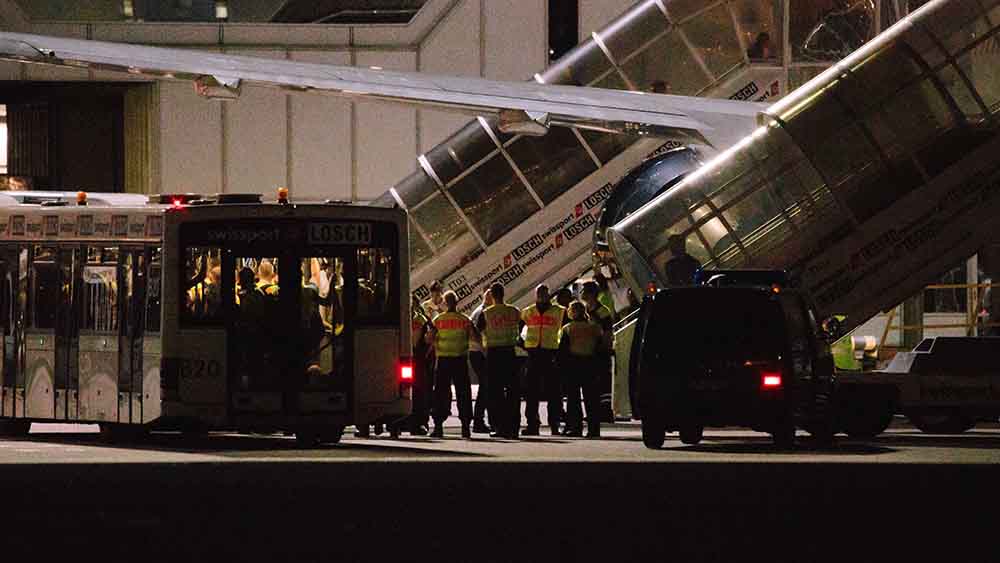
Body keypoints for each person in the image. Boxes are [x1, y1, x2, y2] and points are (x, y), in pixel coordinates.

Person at [428, 291, 477, 439]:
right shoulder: (465, 320)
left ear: (445, 303)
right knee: (463, 393)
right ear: (456, 302)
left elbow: (429, 339)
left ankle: (438, 427)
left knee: (440, 394)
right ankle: (465, 427)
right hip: (460, 360)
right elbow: (474, 337)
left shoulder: (438, 320)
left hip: (443, 360)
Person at [476, 283, 521, 439]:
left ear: (492, 296)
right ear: (503, 294)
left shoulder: (487, 313)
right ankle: (514, 427)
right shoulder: (514, 311)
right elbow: (520, 330)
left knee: (495, 392)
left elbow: (477, 332)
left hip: (494, 354)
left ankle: (499, 426)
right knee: (512, 392)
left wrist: (483, 347)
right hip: (510, 353)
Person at [520, 284, 565, 436]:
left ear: (548, 294)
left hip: (550, 353)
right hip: (533, 354)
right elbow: (517, 330)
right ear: (536, 294)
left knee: (553, 392)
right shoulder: (528, 311)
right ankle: (532, 424)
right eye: (539, 293)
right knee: (531, 392)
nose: (541, 296)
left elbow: (565, 331)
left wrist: (560, 350)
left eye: (544, 293)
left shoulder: (559, 312)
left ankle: (554, 424)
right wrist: (524, 345)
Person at [559, 301, 605, 438]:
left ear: (572, 312)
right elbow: (600, 347)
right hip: (590, 364)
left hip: (574, 364)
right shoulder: (594, 327)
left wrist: (562, 367)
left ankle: (575, 427)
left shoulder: (568, 328)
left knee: (574, 399)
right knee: (591, 398)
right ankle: (594, 429)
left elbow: (563, 350)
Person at [581, 280, 615, 423]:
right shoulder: (585, 310)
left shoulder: (602, 311)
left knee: (603, 385)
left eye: (584, 290)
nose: (582, 293)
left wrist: (604, 348)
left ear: (591, 294)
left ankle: (605, 412)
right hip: (588, 351)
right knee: (591, 385)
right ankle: (594, 412)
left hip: (600, 351)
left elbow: (608, 331)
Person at [469, 290, 493, 433]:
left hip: (477, 352)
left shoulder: (481, 311)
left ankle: (480, 420)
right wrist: (485, 352)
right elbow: (477, 334)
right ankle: (478, 421)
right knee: (485, 386)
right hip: (479, 353)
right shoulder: (482, 312)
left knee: (486, 386)